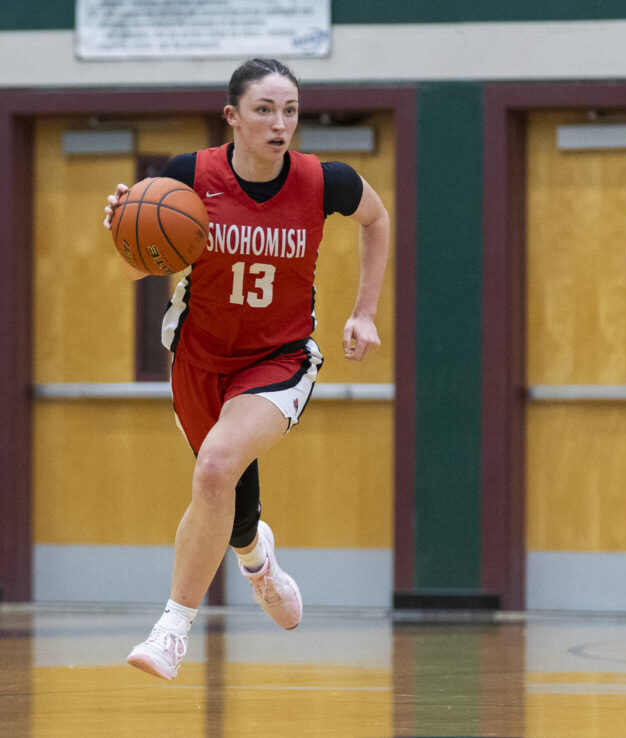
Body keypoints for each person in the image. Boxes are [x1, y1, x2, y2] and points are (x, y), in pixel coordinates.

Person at [101, 58, 390, 680]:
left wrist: (364, 312)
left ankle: (171, 630)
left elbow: (378, 219)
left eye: (289, 111)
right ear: (232, 116)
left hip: (278, 357)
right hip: (199, 359)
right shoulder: (187, 178)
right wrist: (126, 233)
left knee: (217, 466)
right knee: (223, 489)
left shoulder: (325, 182)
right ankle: (258, 558)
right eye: (264, 110)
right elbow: (133, 271)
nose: (279, 123)